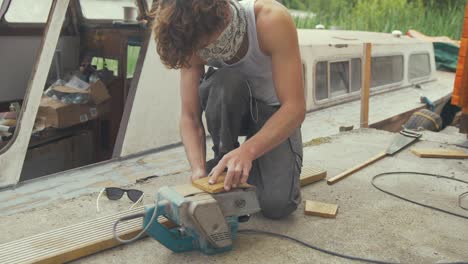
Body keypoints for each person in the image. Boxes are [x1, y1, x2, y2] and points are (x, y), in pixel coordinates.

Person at [152, 0, 305, 219]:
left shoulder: (272, 20)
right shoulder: (191, 38)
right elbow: (190, 117)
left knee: (277, 205)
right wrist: (197, 170)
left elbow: (295, 108)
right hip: (233, 110)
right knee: (225, 82)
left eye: (206, 45)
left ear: (224, 14)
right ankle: (225, 160)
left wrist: (248, 151)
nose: (205, 52)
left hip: (274, 114)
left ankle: (240, 164)